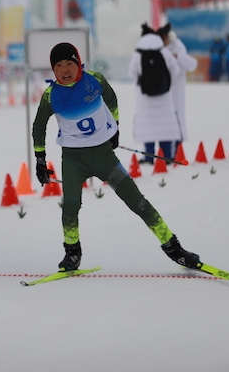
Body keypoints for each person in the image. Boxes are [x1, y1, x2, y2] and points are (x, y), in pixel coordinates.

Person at [31, 42, 201, 272]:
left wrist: (115, 127)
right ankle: (72, 253)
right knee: (70, 205)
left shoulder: (95, 80)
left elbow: (111, 99)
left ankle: (174, 249)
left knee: (137, 201)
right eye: (58, 65)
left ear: (78, 63)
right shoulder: (50, 95)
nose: (65, 69)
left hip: (104, 157)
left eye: (69, 63)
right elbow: (38, 126)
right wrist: (40, 159)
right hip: (73, 160)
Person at [129, 24, 182, 163]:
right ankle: (166, 157)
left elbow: (132, 73)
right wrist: (164, 82)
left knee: (148, 128)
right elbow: (175, 70)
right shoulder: (164, 51)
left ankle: (149, 157)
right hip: (164, 97)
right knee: (164, 127)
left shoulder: (138, 54)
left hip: (145, 98)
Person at [158, 23, 197, 155]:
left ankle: (177, 152)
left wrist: (177, 57)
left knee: (177, 121)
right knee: (164, 124)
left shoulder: (178, 47)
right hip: (163, 92)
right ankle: (166, 153)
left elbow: (192, 64)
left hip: (175, 92)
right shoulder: (159, 48)